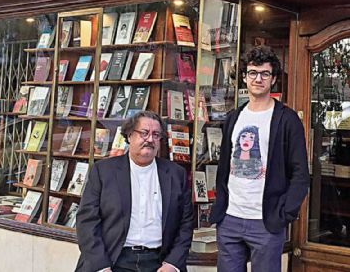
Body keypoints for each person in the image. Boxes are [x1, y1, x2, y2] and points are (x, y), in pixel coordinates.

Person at [210, 45, 310, 272]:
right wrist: (221, 207)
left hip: (266, 221)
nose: (258, 79)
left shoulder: (287, 119)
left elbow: (300, 174)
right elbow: (224, 167)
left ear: (273, 79)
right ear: (244, 77)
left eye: (265, 74)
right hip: (230, 217)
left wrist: (284, 213)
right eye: (253, 73)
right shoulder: (234, 117)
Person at [75, 111, 193, 272]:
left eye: (156, 135)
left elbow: (186, 224)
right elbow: (86, 222)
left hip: (160, 262)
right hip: (113, 260)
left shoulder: (175, 174)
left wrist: (173, 263)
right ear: (129, 135)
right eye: (144, 133)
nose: (150, 139)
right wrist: (101, 266)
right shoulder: (103, 171)